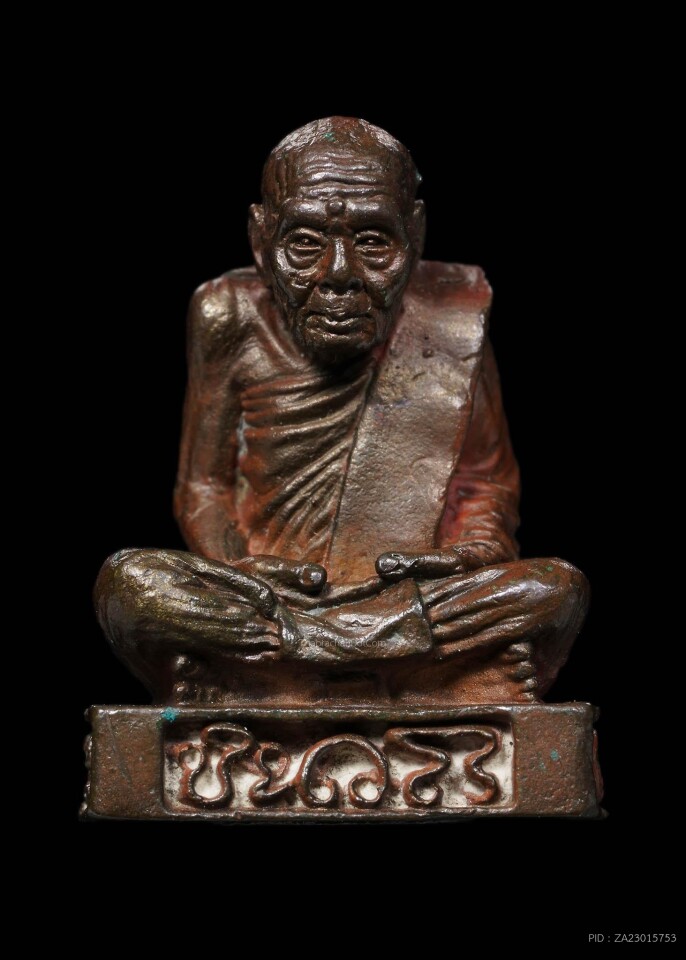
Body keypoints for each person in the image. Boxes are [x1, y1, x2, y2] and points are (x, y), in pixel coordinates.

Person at [94, 117, 588, 706]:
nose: (338, 276)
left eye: (374, 242)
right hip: (275, 598)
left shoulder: (453, 320)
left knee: (556, 587)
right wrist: (239, 567)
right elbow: (203, 486)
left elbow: (485, 482)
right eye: (304, 243)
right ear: (260, 239)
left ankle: (276, 673)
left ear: (416, 234)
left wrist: (467, 556)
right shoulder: (228, 315)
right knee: (129, 584)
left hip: (403, 596)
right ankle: (405, 672)